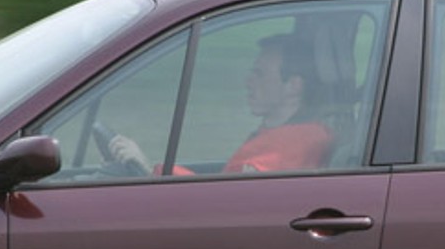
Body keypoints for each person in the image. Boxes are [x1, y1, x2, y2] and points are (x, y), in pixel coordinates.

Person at [108, 33, 333, 174]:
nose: (248, 81)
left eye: (260, 74)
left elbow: (227, 200)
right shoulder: (279, 134)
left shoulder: (299, 141)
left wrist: (150, 171)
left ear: (294, 86)